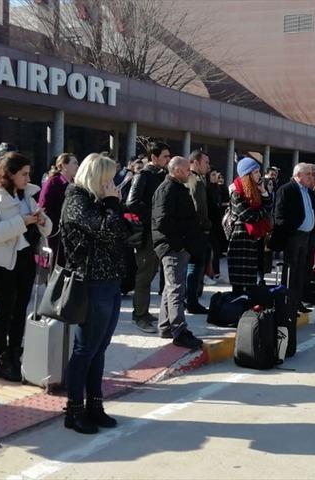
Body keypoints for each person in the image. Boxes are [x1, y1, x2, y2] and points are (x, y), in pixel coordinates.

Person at [59, 153, 129, 434]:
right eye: (108, 179)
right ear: (96, 178)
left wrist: (113, 207)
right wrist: (113, 204)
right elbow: (108, 229)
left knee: (99, 349)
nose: (112, 185)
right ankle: (74, 409)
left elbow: (122, 231)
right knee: (84, 349)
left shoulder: (97, 202)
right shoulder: (76, 200)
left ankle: (95, 405)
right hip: (90, 283)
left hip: (109, 281)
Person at [0, 152, 52, 381]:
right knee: (4, 311)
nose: (28, 178)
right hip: (1, 262)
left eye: (29, 173)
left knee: (20, 312)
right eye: (24, 174)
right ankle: (2, 360)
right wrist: (23, 222)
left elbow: (47, 227)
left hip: (25, 260)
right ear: (10, 173)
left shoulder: (28, 196)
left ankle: (16, 356)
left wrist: (41, 220)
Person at [151, 156, 206, 349]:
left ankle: (166, 325)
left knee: (170, 287)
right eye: (185, 169)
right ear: (176, 170)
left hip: (178, 246)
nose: (189, 172)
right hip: (172, 247)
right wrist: (179, 244)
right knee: (176, 288)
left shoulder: (176, 188)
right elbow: (162, 221)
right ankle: (179, 330)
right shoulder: (167, 190)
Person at [125, 142, 170, 333]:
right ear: (154, 157)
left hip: (159, 231)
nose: (168, 160)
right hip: (147, 233)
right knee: (144, 274)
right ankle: (140, 315)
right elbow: (132, 203)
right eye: (165, 156)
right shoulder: (143, 175)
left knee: (152, 272)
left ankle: (144, 310)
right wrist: (153, 214)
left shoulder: (161, 176)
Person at [272, 163, 315, 330]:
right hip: (294, 237)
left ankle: (297, 302)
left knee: (302, 271)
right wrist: (291, 231)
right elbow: (279, 215)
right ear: (299, 175)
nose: (311, 177)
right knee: (291, 272)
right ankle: (287, 305)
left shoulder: (308, 192)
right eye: (308, 174)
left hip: (307, 237)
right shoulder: (287, 189)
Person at [228, 157, 273, 293]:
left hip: (253, 239)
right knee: (239, 284)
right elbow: (249, 216)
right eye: (255, 172)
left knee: (251, 283)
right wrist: (263, 211)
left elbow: (269, 205)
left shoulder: (256, 190)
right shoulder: (237, 192)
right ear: (247, 175)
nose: (259, 175)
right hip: (241, 239)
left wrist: (264, 192)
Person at [38, 153, 78, 267]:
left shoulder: (73, 184)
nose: (77, 166)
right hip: (55, 231)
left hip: (68, 232)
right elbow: (44, 206)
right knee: (56, 263)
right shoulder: (53, 182)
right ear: (64, 165)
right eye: (74, 163)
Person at [185, 150, 212, 314]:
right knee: (195, 266)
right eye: (206, 162)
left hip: (190, 230)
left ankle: (190, 299)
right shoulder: (195, 181)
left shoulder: (194, 179)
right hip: (196, 230)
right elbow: (199, 208)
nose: (208, 166)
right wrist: (207, 225)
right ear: (195, 162)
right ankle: (192, 300)